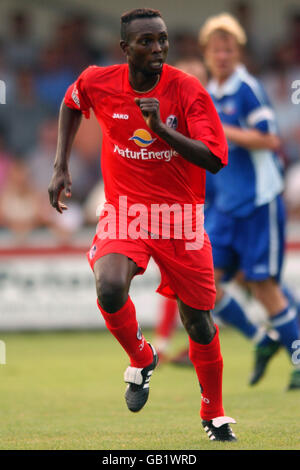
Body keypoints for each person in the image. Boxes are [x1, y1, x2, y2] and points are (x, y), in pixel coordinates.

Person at [48, 8, 237, 442]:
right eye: (147, 41)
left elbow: (215, 159)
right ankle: (142, 355)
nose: (158, 49)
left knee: (199, 324)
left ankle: (214, 412)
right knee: (109, 285)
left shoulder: (187, 91)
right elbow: (72, 101)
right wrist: (61, 165)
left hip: (180, 218)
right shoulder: (99, 80)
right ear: (125, 49)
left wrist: (159, 130)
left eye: (163, 40)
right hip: (125, 212)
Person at [199, 13, 300, 390]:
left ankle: (296, 354)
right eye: (215, 48)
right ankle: (261, 341)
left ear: (237, 52)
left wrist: (224, 131)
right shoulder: (208, 93)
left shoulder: (247, 89)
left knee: (264, 286)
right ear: (207, 54)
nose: (222, 54)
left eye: (228, 47)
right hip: (225, 206)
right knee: (201, 284)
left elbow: (270, 139)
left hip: (258, 201)